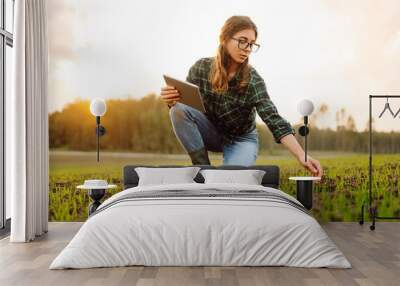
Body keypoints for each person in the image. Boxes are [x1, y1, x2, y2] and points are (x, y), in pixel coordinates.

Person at [160, 15, 322, 177]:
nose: (247, 48)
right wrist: (173, 99)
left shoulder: (253, 80)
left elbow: (274, 120)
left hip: (241, 139)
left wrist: (302, 155)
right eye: (242, 41)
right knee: (178, 109)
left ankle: (227, 173)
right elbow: (187, 108)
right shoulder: (201, 67)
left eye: (251, 44)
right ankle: (203, 170)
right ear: (224, 39)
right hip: (211, 132)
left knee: (229, 180)